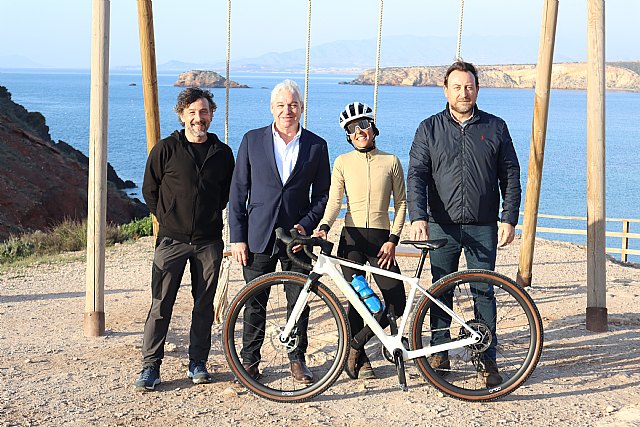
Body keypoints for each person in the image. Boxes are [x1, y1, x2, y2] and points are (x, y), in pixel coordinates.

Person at [406, 61, 521, 387]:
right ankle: (440, 352)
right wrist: (418, 217)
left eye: (468, 86)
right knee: (441, 290)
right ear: (446, 90)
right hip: (441, 225)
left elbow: (510, 175)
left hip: (484, 225)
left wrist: (508, 218)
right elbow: (416, 175)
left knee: (483, 292)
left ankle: (486, 359)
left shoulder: (496, 127)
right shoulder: (429, 128)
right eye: (457, 87)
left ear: (477, 90)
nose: (463, 92)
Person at [228, 79, 331, 384]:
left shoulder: (316, 145)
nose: (288, 111)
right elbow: (238, 191)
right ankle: (250, 361)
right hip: (257, 236)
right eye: (282, 105)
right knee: (254, 302)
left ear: (301, 108)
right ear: (272, 108)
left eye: (293, 105)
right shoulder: (251, 140)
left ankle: (297, 360)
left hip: (297, 240)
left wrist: (306, 225)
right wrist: (238, 237)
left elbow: (323, 194)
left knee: (298, 300)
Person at [134, 88, 235, 391]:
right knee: (161, 305)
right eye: (192, 112)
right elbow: (149, 189)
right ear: (181, 115)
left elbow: (226, 194)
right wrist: (167, 219)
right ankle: (150, 367)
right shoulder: (166, 149)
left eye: (203, 112)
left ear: (211, 115)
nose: (198, 118)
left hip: (208, 242)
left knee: (204, 305)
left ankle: (198, 362)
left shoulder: (223, 153)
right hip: (171, 241)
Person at [313, 102, 407, 380]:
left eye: (363, 125)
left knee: (397, 302)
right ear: (348, 135)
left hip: (382, 242)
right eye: (352, 129)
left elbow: (402, 203)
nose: (359, 131)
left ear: (373, 128)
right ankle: (361, 359)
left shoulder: (390, 161)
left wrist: (393, 239)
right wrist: (324, 227)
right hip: (351, 242)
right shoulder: (342, 162)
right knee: (361, 299)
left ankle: (354, 345)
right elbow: (334, 202)